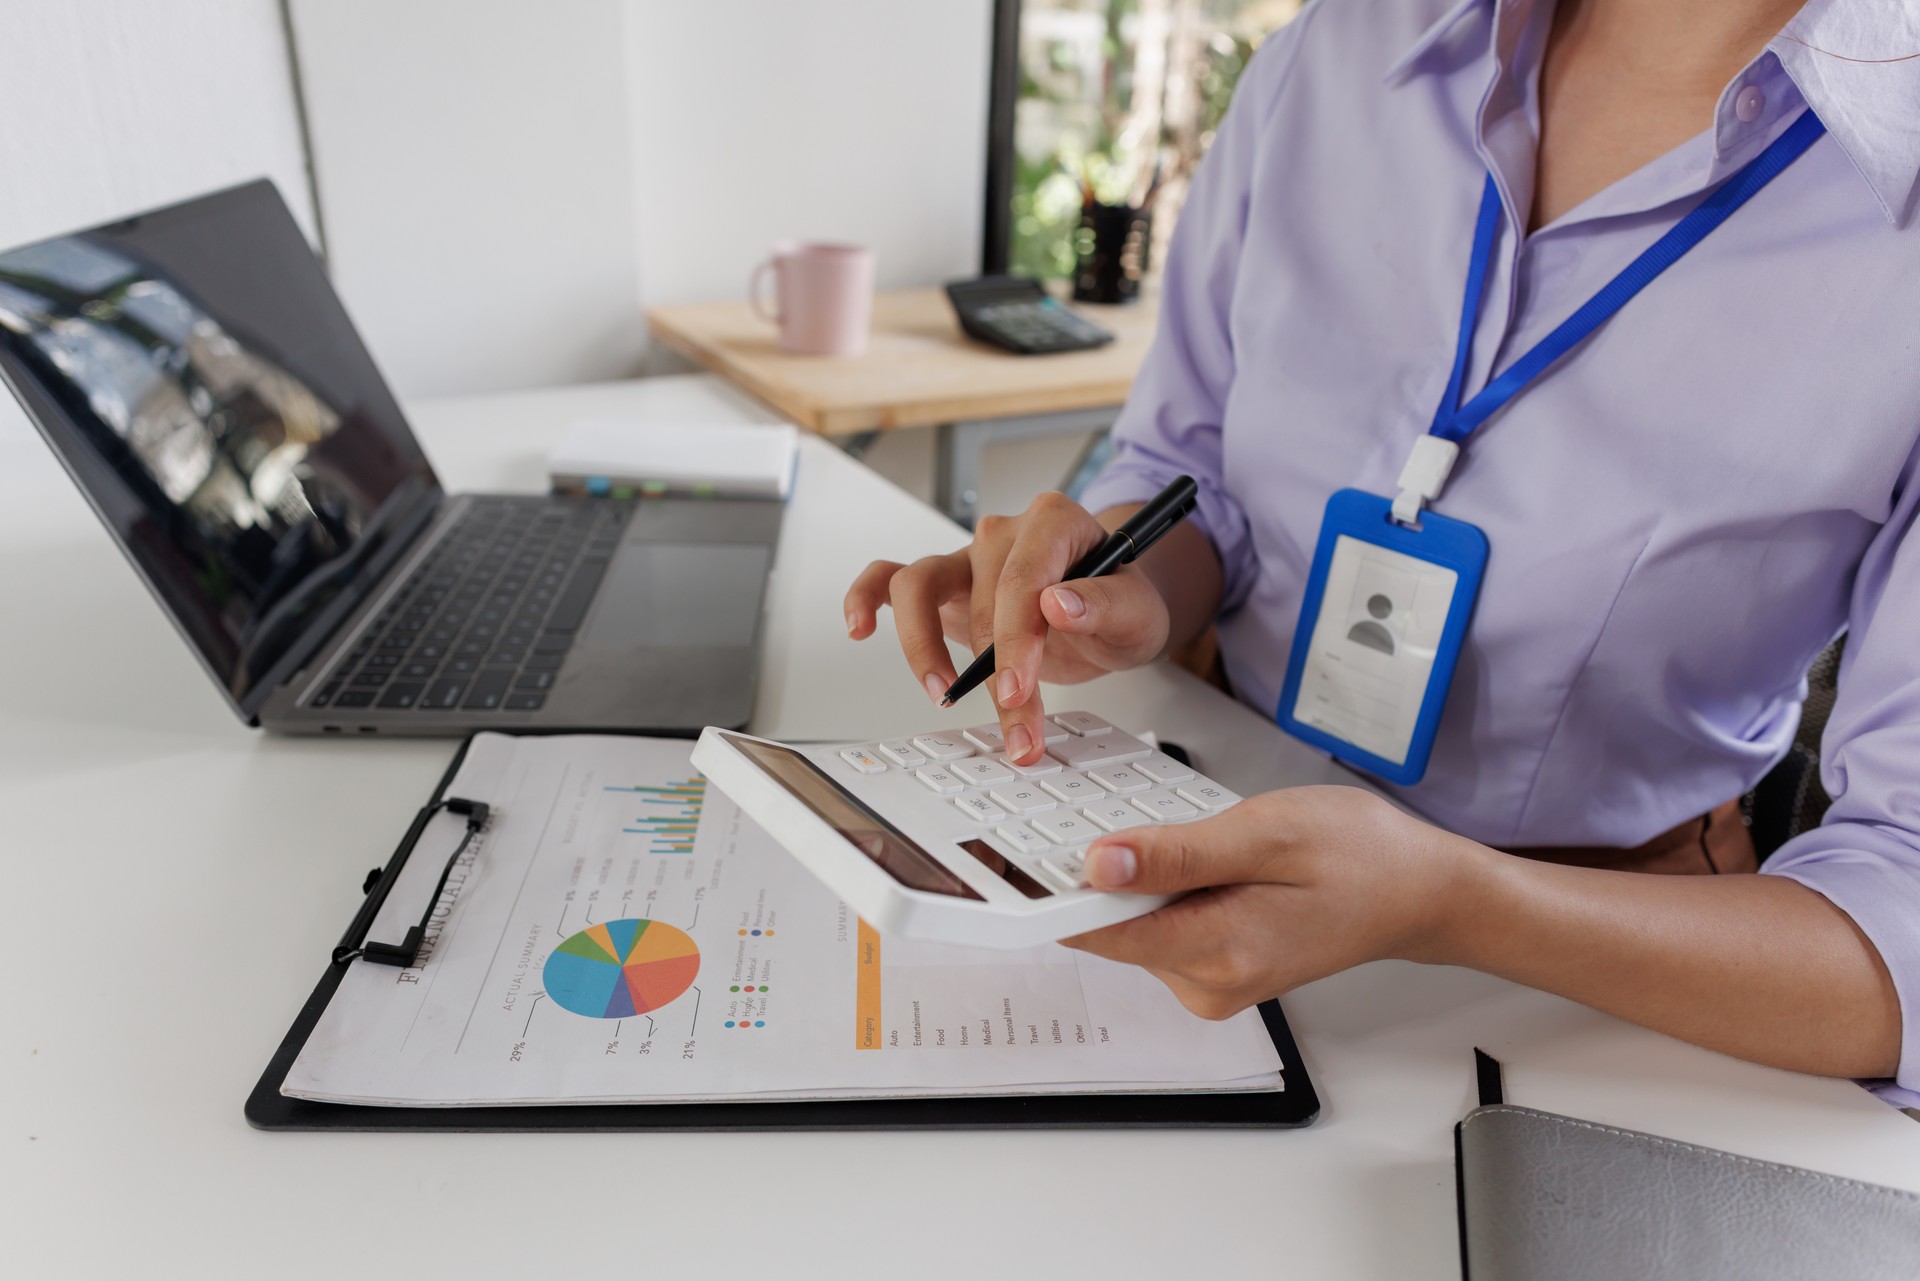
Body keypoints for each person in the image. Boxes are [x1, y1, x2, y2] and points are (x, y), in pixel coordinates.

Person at [845, 0, 1920, 1105]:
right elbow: (1187, 464)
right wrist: (1118, 586)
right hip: (1193, 819)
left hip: (1595, 979)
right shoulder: (1339, 51)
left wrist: (1453, 904)